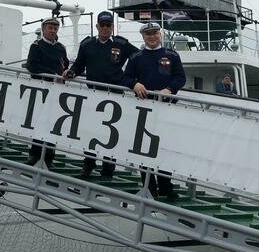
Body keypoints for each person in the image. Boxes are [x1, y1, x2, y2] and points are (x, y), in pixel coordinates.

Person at [63, 11, 138, 179]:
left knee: (111, 134)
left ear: (112, 27)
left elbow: (138, 59)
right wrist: (71, 73)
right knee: (90, 132)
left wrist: (134, 78)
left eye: (108, 25)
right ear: (97, 26)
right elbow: (79, 65)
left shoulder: (122, 44)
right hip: (94, 95)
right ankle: (88, 166)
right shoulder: (87, 44)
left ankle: (107, 170)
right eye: (102, 25)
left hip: (115, 96)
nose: (105, 28)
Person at [121, 22, 186, 198]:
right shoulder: (136, 57)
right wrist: (135, 84)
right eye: (148, 34)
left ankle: (166, 186)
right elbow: (125, 77)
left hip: (165, 108)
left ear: (160, 34)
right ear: (143, 36)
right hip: (144, 108)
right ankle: (149, 187)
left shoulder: (171, 55)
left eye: (154, 33)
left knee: (163, 147)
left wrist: (169, 89)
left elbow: (180, 78)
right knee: (144, 148)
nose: (151, 36)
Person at [25, 16, 69, 167]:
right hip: (41, 88)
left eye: (55, 28)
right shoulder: (36, 46)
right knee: (39, 122)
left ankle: (49, 157)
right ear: (43, 29)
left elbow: (65, 65)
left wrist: (64, 74)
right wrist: (52, 74)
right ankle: (34, 154)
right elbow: (32, 66)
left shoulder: (61, 48)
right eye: (50, 28)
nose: (52, 30)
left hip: (56, 91)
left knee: (53, 124)